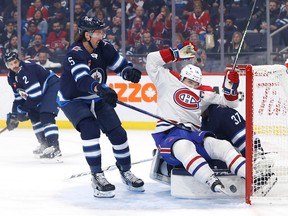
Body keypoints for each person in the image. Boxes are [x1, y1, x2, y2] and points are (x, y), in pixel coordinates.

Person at [146, 41, 251, 194]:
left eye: (196, 83)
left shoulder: (203, 93)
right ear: (181, 78)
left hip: (195, 135)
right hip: (170, 134)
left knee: (222, 146)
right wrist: (175, 53)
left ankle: (253, 176)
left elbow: (230, 103)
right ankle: (210, 179)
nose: (193, 86)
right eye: (189, 82)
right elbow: (151, 60)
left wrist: (231, 86)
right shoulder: (167, 80)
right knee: (183, 147)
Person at [57, 16, 144, 198]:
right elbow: (82, 80)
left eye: (101, 32)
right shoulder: (75, 53)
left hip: (96, 96)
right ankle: (97, 175)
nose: (101, 35)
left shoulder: (104, 47)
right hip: (73, 99)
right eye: (97, 32)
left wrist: (128, 71)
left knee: (118, 133)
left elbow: (119, 64)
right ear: (87, 35)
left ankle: (125, 171)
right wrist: (100, 88)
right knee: (90, 130)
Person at [4, 52, 62, 161]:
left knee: (46, 114)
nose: (14, 66)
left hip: (52, 86)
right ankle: (44, 144)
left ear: (19, 60)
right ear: (7, 66)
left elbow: (35, 96)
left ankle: (54, 148)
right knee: (34, 115)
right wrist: (15, 115)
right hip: (41, 92)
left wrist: (22, 110)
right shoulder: (11, 77)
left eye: (15, 62)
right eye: (10, 64)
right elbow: (19, 97)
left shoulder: (27, 70)